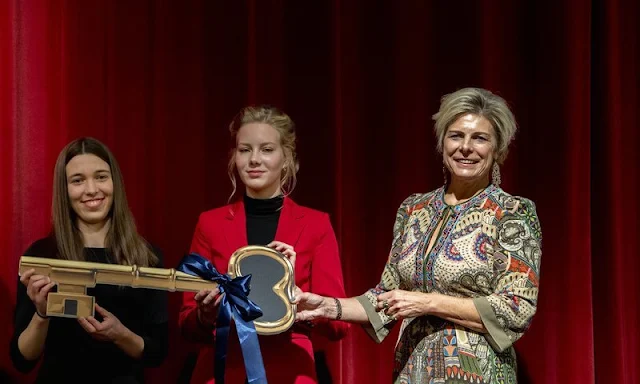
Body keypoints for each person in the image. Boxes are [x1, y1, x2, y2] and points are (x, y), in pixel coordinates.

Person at [295, 88, 542, 383]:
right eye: (456, 136)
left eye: (479, 138)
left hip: (478, 373)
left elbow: (516, 308)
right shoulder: (414, 209)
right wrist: (327, 306)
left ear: (497, 148)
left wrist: (426, 302)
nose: (465, 147)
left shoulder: (512, 212)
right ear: (442, 143)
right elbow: (385, 297)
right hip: (412, 371)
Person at [179, 105, 349, 384]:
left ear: (286, 158)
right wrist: (205, 314)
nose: (254, 159)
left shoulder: (316, 225)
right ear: (234, 157)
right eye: (245, 150)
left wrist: (298, 302)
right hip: (223, 368)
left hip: (290, 371)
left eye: (266, 149)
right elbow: (187, 323)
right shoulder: (209, 224)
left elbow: (338, 325)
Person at [10, 137, 169, 383]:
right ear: (65, 190)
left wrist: (120, 335)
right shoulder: (40, 256)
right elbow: (22, 360)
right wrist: (42, 313)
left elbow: (157, 353)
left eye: (101, 177)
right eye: (78, 180)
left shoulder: (148, 257)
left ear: (115, 182)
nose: (92, 189)